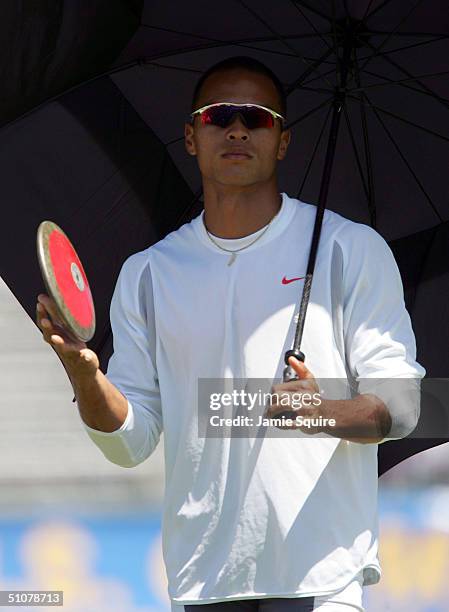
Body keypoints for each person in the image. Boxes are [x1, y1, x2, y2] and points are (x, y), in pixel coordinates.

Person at [36, 56, 425, 611]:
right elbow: (130, 440)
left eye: (258, 118)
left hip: (321, 577)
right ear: (191, 137)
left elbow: (403, 404)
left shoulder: (349, 249)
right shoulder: (149, 272)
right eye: (219, 116)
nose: (238, 128)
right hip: (201, 581)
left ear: (283, 141)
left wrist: (323, 411)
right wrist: (84, 372)